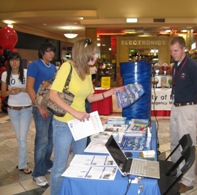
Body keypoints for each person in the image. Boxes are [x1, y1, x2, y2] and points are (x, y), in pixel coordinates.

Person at [49, 38, 124, 195]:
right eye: (94, 53)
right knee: (60, 167)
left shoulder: (87, 71)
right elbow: (53, 95)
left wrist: (109, 92)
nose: (97, 56)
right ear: (85, 54)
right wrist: (74, 112)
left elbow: (90, 98)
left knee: (80, 161)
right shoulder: (66, 67)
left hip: (80, 123)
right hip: (64, 123)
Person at [169, 36, 197, 193]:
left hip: (188, 108)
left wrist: (195, 109)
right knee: (175, 142)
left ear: (184, 49)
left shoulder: (192, 66)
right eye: (171, 51)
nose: (173, 54)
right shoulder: (175, 65)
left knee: (187, 146)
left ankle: (188, 180)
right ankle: (177, 173)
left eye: (176, 50)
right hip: (176, 108)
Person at [26, 41, 57, 186]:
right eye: (48, 51)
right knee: (42, 140)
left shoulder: (53, 67)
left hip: (51, 107)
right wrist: (39, 107)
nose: (51, 54)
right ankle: (37, 173)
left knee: (50, 139)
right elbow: (30, 88)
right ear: (42, 52)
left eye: (52, 51)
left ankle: (46, 164)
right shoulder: (34, 65)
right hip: (40, 108)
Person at [1, 52, 32, 174]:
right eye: (12, 60)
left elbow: (31, 89)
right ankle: (22, 161)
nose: (14, 62)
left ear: (20, 61)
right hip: (12, 110)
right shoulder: (5, 74)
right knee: (19, 138)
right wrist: (10, 92)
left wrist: (21, 90)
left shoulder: (26, 73)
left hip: (26, 109)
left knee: (22, 137)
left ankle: (22, 164)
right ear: (9, 62)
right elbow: (3, 93)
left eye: (17, 60)